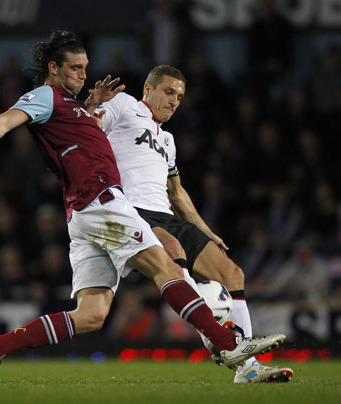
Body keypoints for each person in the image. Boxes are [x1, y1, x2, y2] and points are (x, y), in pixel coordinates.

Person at [0, 29, 284, 385]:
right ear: (53, 67)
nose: (83, 75)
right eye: (76, 68)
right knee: (166, 265)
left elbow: (100, 138)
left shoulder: (76, 109)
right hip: (102, 202)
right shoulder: (48, 96)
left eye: (85, 67)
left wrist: (90, 106)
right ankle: (227, 344)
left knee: (91, 315)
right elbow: (8, 118)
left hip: (82, 215)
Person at [90, 64, 293, 383]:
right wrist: (92, 108)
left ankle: (247, 367)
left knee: (233, 273)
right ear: (148, 89)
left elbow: (177, 193)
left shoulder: (168, 140)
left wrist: (206, 230)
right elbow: (90, 127)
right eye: (168, 92)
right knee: (173, 251)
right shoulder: (125, 105)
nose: (174, 101)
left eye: (180, 97)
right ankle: (213, 335)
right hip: (130, 210)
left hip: (166, 216)